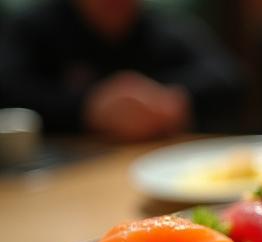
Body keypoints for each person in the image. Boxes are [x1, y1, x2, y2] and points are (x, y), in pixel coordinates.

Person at [0, 0, 244, 142]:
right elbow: (10, 92)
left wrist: (171, 99)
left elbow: (231, 78)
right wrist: (87, 109)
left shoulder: (163, 27)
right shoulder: (34, 27)